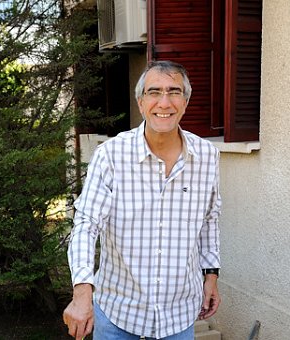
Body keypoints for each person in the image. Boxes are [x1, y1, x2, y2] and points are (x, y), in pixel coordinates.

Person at [63, 60, 221, 340]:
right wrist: (82, 291)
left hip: (179, 317)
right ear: (140, 102)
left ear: (185, 101)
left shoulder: (207, 157)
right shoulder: (111, 156)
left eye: (174, 91)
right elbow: (86, 225)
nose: (164, 102)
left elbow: (210, 218)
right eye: (154, 92)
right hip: (118, 316)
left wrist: (211, 275)